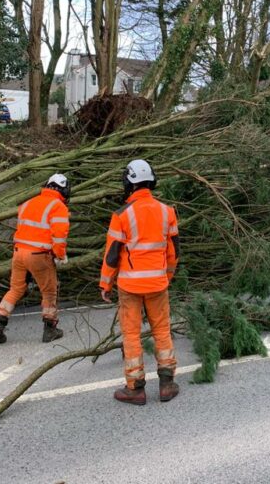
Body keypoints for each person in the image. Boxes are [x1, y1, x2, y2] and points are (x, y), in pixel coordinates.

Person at [99, 159, 180, 405]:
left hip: (129, 286)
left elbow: (112, 255)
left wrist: (105, 284)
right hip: (157, 284)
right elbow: (174, 252)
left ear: (128, 182)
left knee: (132, 335)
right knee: (162, 330)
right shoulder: (168, 212)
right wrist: (166, 277)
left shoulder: (122, 215)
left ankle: (135, 388)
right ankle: (167, 383)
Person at [0, 173, 71, 344]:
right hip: (39, 255)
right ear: (64, 190)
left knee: (15, 289)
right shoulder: (58, 206)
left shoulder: (28, 203)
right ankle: (50, 329)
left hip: (19, 253)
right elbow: (59, 236)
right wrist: (60, 255)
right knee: (49, 291)